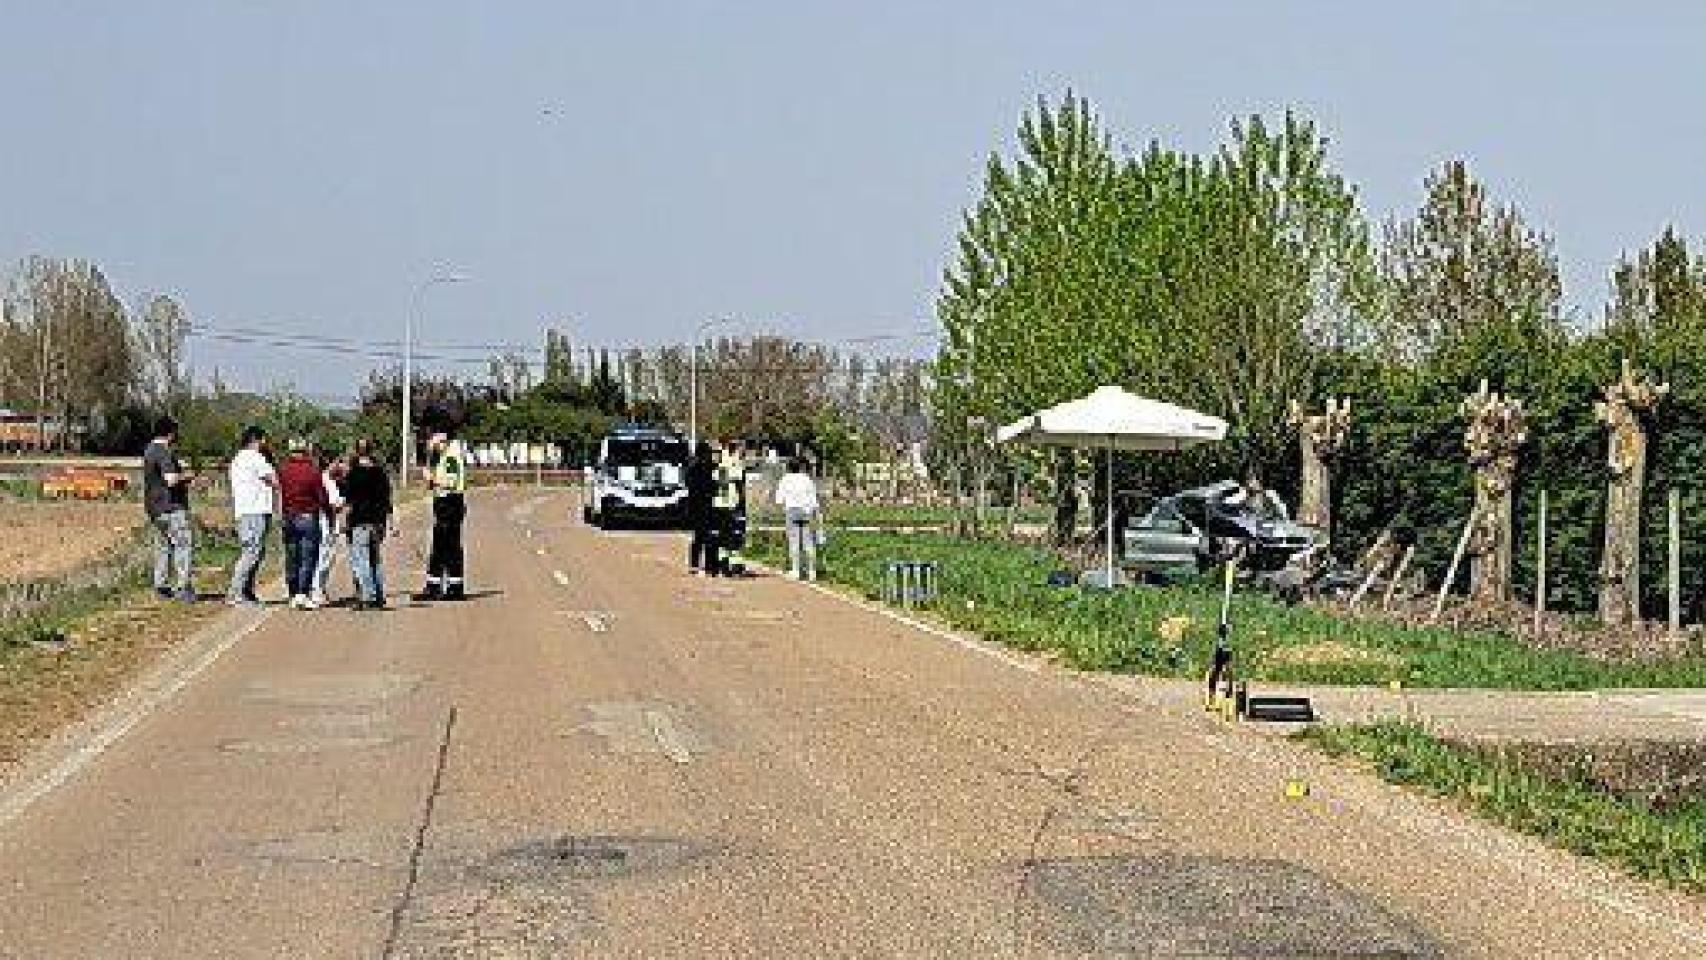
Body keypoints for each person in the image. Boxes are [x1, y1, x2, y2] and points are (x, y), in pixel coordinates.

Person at [142, 416, 196, 602]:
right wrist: (187, 476)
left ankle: (161, 585)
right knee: (183, 545)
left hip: (154, 508)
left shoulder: (149, 450)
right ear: (171, 433)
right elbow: (171, 479)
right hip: (172, 507)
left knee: (163, 547)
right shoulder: (163, 452)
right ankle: (183, 587)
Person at [416, 425, 469, 601]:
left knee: (447, 546)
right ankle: (438, 585)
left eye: (433, 441)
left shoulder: (451, 456)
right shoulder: (445, 456)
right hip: (446, 502)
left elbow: (451, 481)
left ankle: (449, 587)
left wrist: (431, 478)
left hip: (450, 503)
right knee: (442, 546)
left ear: (442, 439)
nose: (431, 445)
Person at [225, 426, 276, 607]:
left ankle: (246, 591)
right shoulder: (255, 458)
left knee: (254, 551)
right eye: (264, 440)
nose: (266, 443)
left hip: (244, 510)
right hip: (255, 510)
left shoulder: (238, 459)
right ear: (257, 440)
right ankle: (235, 593)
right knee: (252, 552)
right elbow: (274, 480)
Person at [277, 437, 328, 609]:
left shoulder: (282, 470)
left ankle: (292, 593)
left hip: (288, 516)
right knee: (308, 557)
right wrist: (327, 511)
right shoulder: (312, 470)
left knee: (292, 556)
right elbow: (321, 495)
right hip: (308, 516)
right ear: (305, 450)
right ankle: (302, 593)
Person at [342, 438, 393, 610]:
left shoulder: (353, 474)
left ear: (356, 452)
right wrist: (391, 524)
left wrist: (344, 523)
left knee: (361, 560)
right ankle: (379, 595)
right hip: (378, 522)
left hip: (360, 521)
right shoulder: (380, 473)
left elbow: (348, 502)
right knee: (375, 560)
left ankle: (367, 596)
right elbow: (387, 501)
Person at [310, 451, 348, 607]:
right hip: (326, 522)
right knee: (324, 556)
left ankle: (319, 588)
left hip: (329, 522)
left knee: (328, 556)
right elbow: (331, 504)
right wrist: (344, 502)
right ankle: (316, 589)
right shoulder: (325, 480)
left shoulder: (330, 481)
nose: (339, 465)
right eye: (337, 462)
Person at [774, 455, 821, 581]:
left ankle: (796, 570)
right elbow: (814, 498)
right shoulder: (807, 479)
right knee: (808, 542)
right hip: (807, 511)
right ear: (801, 467)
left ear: (788, 467)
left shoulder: (785, 479)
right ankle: (812, 571)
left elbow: (779, 500)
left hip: (792, 510)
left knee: (794, 541)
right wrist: (816, 513)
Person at [711, 440, 747, 576]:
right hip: (731, 505)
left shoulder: (719, 466)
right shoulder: (733, 465)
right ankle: (733, 564)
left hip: (721, 505)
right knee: (734, 536)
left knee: (723, 536)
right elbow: (739, 484)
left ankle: (725, 564)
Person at [685, 442, 718, 576]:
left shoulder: (693, 469)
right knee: (707, 537)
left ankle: (696, 565)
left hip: (698, 507)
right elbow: (715, 486)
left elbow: (689, 486)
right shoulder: (710, 469)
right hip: (707, 506)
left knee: (700, 537)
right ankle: (708, 566)